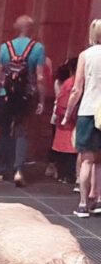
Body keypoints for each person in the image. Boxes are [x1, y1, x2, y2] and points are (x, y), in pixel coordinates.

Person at [0, 15, 46, 186]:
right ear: (31, 28)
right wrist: (42, 100)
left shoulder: (4, 47)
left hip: (5, 95)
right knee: (22, 132)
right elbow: (40, 77)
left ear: (16, 26)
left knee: (4, 132)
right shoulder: (37, 48)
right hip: (25, 96)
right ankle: (18, 170)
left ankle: (0, 170)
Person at [63, 19, 101, 218]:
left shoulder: (85, 56)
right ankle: (99, 200)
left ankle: (83, 204)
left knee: (86, 159)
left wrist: (67, 113)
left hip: (88, 111)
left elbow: (77, 88)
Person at [51, 58, 79, 186]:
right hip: (71, 119)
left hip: (61, 118)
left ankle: (62, 175)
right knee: (71, 149)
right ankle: (69, 175)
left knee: (62, 149)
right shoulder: (75, 83)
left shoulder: (65, 82)